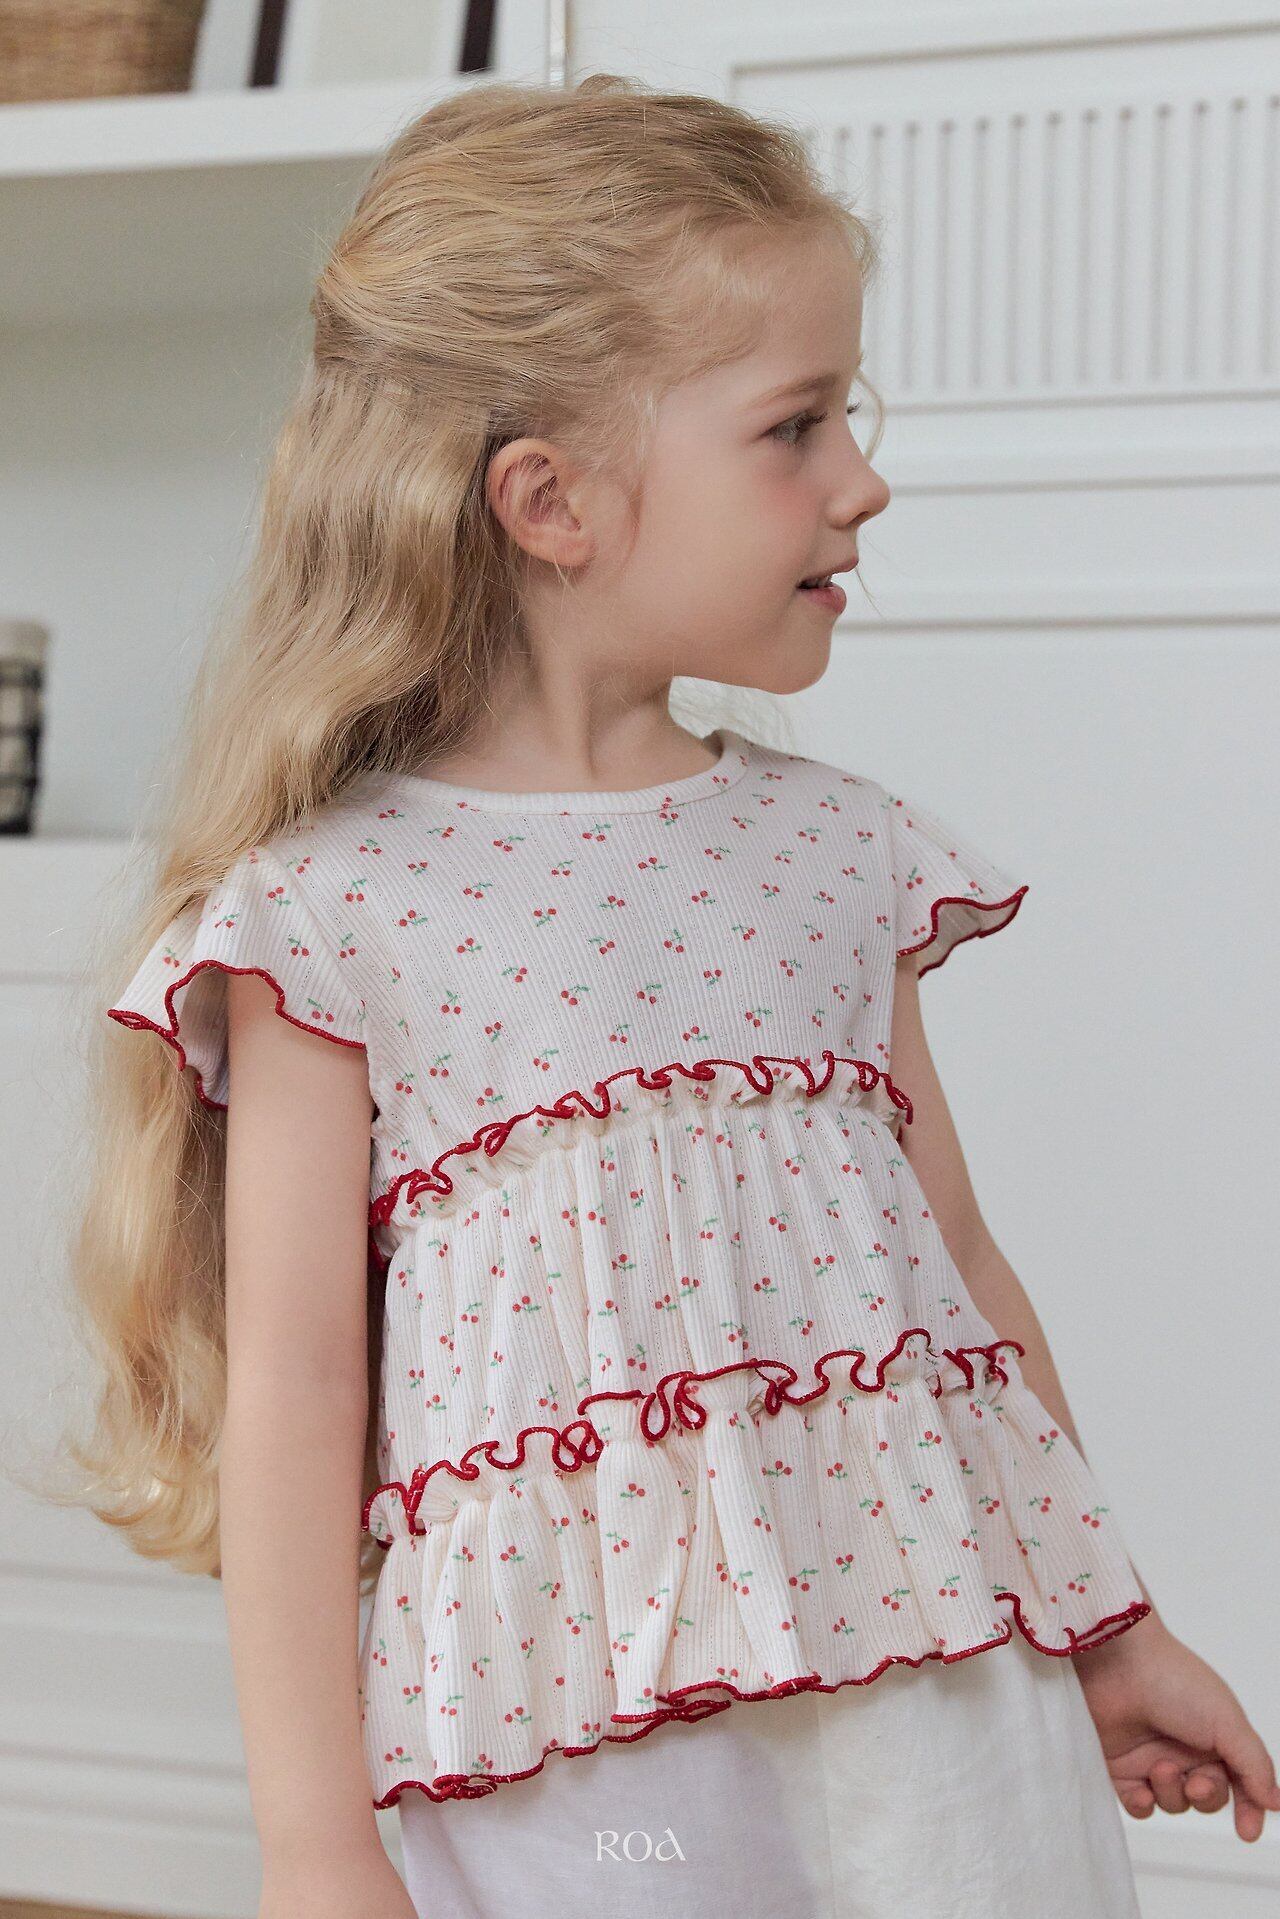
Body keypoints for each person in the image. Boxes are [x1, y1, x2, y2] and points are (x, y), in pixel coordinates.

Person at [60, 73, 1277, 1919]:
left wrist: (1112, 1636)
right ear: (550, 500)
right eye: (797, 425)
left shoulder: (842, 855)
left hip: (945, 1693)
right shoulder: (331, 917)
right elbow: (299, 1396)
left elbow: (958, 1270)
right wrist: (316, 1846)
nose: (862, 480)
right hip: (588, 1746)